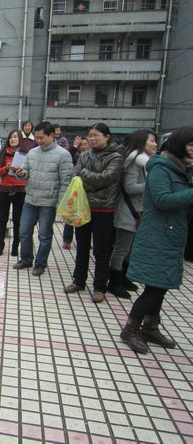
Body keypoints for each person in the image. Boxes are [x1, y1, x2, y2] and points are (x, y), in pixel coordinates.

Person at [119, 126, 193, 354]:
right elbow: (162, 200)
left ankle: (150, 326)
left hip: (172, 234)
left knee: (161, 285)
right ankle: (131, 328)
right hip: (158, 235)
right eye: (191, 144)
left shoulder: (183, 169)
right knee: (155, 288)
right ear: (180, 145)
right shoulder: (162, 168)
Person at [64, 123, 124, 303]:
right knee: (82, 247)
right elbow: (74, 176)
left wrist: (85, 175)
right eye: (89, 135)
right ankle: (78, 281)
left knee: (101, 250)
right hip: (83, 207)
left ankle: (100, 287)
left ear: (107, 136)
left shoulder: (115, 157)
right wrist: (93, 180)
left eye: (95, 135)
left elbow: (106, 179)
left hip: (104, 209)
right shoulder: (84, 155)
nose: (91, 138)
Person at [12, 121, 73, 276]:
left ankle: (40, 264)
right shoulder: (32, 153)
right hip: (30, 199)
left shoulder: (63, 155)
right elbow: (26, 172)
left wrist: (60, 203)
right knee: (24, 231)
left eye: (41, 138)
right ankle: (26, 259)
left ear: (51, 135)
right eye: (37, 138)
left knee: (44, 235)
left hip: (48, 202)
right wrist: (21, 174)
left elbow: (66, 182)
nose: (38, 141)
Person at [107, 130, 157, 299]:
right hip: (127, 210)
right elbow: (130, 187)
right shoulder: (134, 161)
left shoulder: (145, 162)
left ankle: (124, 277)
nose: (155, 144)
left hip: (137, 210)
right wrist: (153, 184)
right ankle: (114, 282)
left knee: (130, 247)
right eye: (151, 141)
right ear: (141, 142)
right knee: (122, 247)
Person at [0, 129, 28, 256]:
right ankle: (0, 246)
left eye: (15, 137)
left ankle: (15, 247)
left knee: (17, 220)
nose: (12, 139)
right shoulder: (3, 154)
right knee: (3, 219)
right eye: (11, 137)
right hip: (5, 189)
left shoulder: (26, 154)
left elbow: (30, 172)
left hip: (20, 189)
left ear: (20, 139)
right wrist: (6, 168)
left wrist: (21, 170)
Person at [62, 136, 90, 249]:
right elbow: (68, 160)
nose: (83, 147)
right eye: (80, 145)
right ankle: (67, 239)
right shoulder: (75, 156)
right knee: (70, 213)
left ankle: (83, 240)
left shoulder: (92, 157)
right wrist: (74, 147)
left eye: (85, 144)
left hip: (87, 191)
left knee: (83, 215)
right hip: (74, 190)